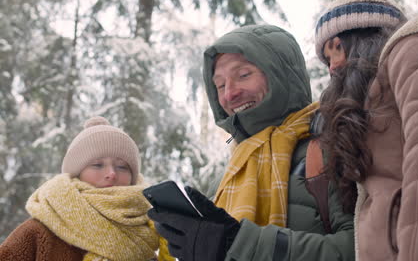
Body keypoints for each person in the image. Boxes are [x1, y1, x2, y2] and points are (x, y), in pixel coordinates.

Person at [148, 24, 355, 261]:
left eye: (243, 75)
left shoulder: (333, 147)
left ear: (281, 73)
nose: (229, 95)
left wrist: (239, 242)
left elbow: (360, 249)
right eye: (220, 85)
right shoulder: (226, 178)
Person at [315, 0, 418, 260]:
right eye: (326, 60)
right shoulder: (375, 99)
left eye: (337, 48)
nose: (332, 67)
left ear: (364, 37)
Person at [0, 116, 173, 261]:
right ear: (77, 173)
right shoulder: (40, 231)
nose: (111, 173)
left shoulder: (151, 231)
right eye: (97, 165)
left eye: (122, 167)